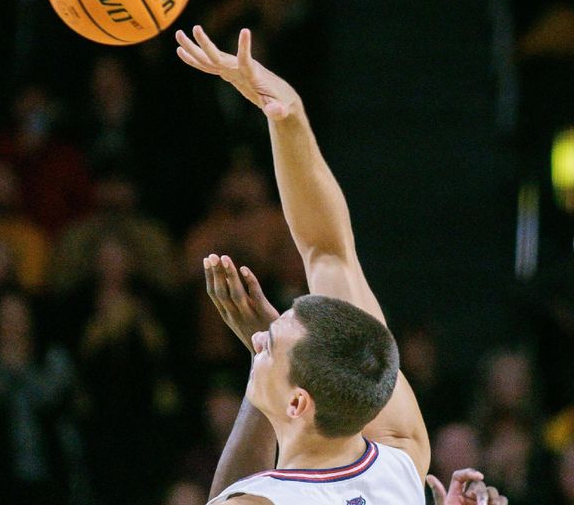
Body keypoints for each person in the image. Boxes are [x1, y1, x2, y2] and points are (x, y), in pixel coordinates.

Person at [175, 25, 430, 504]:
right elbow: (327, 250)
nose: (258, 334)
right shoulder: (398, 463)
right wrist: (285, 115)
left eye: (268, 343)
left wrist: (290, 113)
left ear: (297, 402)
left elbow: (329, 250)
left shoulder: (404, 455)